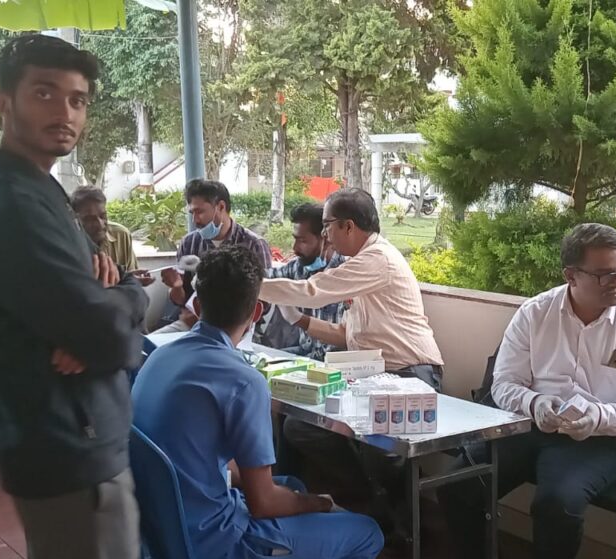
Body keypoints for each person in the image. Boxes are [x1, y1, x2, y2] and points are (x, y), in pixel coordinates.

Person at [0, 34, 148, 559]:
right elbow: (109, 334)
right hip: (69, 449)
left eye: (77, 100)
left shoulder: (44, 195)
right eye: (44, 93)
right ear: (4, 102)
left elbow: (100, 314)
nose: (64, 112)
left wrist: (109, 301)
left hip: (74, 436)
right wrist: (126, 300)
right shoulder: (15, 206)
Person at [133, 244, 382, 559]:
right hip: (211, 544)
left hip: (157, 532)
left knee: (292, 485)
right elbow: (263, 503)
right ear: (256, 312)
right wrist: (320, 503)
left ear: (197, 305)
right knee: (367, 534)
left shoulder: (159, 357)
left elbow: (207, 462)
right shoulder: (244, 381)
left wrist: (295, 496)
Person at [439, 223, 616, 559]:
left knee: (557, 504)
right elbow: (504, 383)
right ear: (571, 275)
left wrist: (600, 416)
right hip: (528, 426)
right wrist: (535, 402)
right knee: (456, 486)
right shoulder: (536, 313)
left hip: (601, 440)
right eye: (604, 274)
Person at [260, 188, 444, 539]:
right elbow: (347, 335)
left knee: (380, 444)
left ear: (348, 226)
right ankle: (376, 499)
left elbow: (314, 290)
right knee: (300, 427)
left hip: (410, 372)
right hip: (371, 374)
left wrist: (253, 287)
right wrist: (300, 320)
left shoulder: (377, 259)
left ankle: (398, 516)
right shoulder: (360, 263)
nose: (325, 234)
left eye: (327, 225)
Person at [155, 179, 271, 333]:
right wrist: (176, 287)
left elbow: (265, 301)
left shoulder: (253, 244)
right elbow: (181, 301)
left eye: (200, 212)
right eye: (192, 213)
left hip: (239, 328)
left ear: (221, 207)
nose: (195, 220)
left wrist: (215, 318)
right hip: (194, 324)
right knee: (149, 343)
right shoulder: (190, 243)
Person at [259, 203, 346, 360]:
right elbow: (266, 277)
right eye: (295, 239)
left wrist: (296, 318)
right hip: (306, 351)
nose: (295, 248)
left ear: (326, 240)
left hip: (335, 361)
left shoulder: (345, 275)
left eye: (303, 241)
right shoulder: (298, 267)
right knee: (261, 361)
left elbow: (345, 337)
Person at [71, 185, 153, 286]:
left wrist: (132, 279)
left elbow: (129, 276)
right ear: (75, 219)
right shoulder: (68, 243)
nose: (100, 224)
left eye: (103, 216)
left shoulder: (121, 235)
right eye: (89, 219)